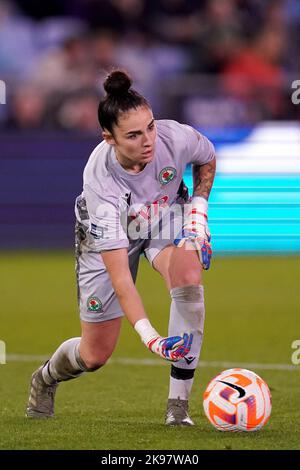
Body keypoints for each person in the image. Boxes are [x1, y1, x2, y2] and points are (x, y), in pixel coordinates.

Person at [26, 70, 216, 426]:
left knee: (189, 273)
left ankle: (178, 408)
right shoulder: (101, 185)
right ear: (108, 138)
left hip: (164, 216)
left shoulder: (174, 137)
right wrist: (151, 338)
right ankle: (46, 376)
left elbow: (206, 157)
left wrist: (198, 214)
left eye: (150, 127)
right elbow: (122, 281)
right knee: (95, 354)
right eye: (133, 134)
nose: (148, 141)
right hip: (110, 236)